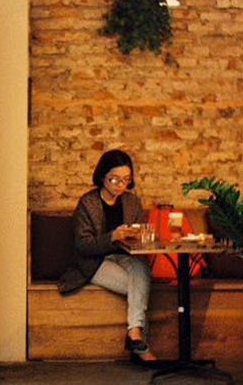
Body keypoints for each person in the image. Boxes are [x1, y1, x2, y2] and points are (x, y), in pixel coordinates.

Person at [58, 149, 157, 364]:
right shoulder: (88, 203)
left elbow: (136, 239)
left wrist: (135, 236)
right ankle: (140, 345)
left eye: (126, 180)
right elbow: (83, 246)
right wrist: (112, 236)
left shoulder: (131, 202)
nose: (120, 185)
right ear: (102, 176)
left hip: (125, 257)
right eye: (114, 179)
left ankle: (135, 334)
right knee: (141, 283)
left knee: (141, 271)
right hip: (93, 262)